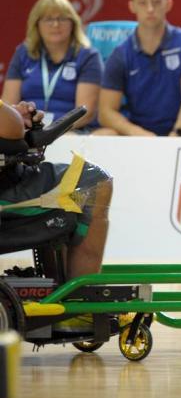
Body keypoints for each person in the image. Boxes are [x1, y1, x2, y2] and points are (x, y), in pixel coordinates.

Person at [0, 100, 113, 281]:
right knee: (95, 181)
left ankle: (59, 291)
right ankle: (82, 297)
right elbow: (11, 129)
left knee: (62, 191)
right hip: (7, 191)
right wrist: (16, 117)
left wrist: (12, 113)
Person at [97, 0, 181, 137]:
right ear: (132, 6)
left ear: (168, 4)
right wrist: (137, 132)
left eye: (156, 1)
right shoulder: (120, 53)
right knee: (104, 134)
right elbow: (106, 112)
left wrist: (177, 132)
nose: (150, 8)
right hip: (138, 134)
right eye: (142, 2)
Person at [2, 0, 103, 132]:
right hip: (27, 129)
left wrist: (50, 132)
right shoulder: (23, 53)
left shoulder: (88, 56)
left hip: (71, 131)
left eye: (61, 18)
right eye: (48, 19)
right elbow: (8, 104)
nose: (55, 24)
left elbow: (84, 114)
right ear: (36, 24)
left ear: (73, 23)